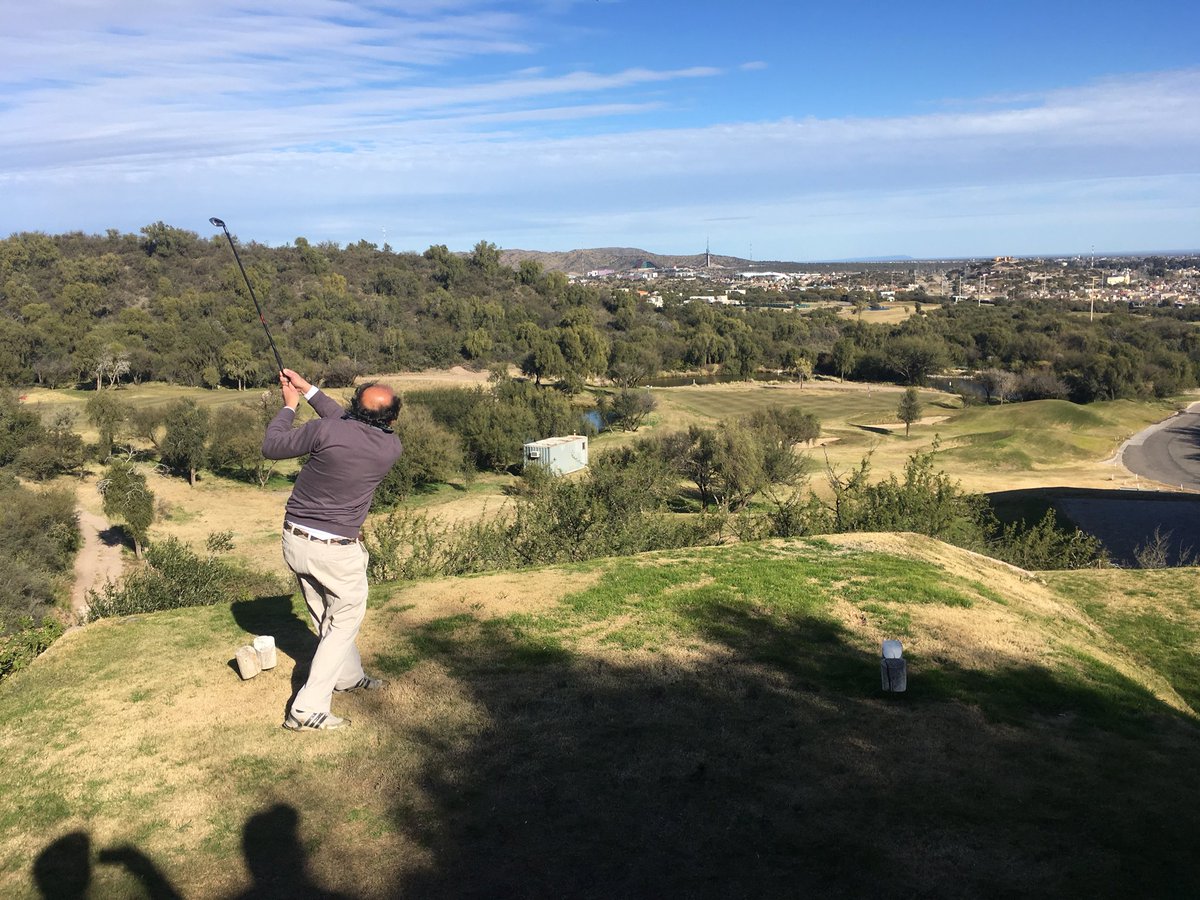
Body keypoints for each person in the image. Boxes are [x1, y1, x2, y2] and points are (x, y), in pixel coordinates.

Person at [262, 368, 403, 731]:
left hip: (295, 541)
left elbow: (272, 446)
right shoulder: (390, 447)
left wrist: (289, 407)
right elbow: (348, 422)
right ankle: (306, 709)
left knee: (326, 614)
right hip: (336, 550)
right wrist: (306, 390)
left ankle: (348, 677)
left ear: (355, 407)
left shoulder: (327, 430)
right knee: (343, 622)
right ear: (391, 419)